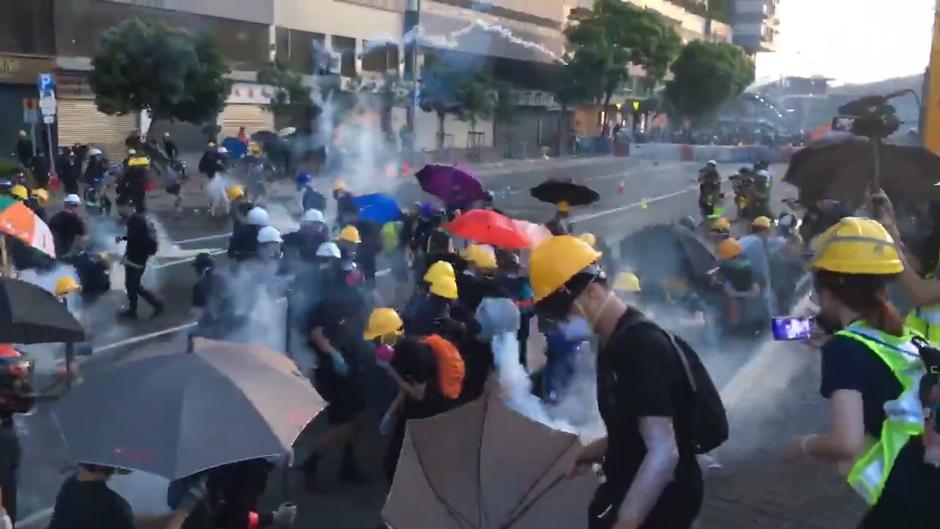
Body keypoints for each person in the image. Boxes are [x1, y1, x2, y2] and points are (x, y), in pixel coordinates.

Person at [529, 235, 705, 529]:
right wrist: (594, 450)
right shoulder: (612, 342)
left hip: (661, 505)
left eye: (564, 310)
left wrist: (627, 520)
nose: (563, 322)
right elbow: (637, 427)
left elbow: (663, 450)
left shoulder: (640, 345)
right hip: (633, 489)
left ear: (592, 291)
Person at [786, 217, 940, 529]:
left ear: (828, 290)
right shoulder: (909, 336)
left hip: (912, 498)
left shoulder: (844, 349)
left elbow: (846, 443)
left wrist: (803, 445)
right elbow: (879, 366)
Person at [300, 257, 370, 490]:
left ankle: (347, 464)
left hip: (353, 363)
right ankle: (312, 460)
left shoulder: (352, 297)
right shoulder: (331, 302)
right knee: (343, 424)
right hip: (337, 373)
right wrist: (334, 355)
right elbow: (317, 334)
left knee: (356, 419)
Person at [117, 199, 164, 319]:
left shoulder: (137, 220)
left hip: (138, 258)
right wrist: (123, 239)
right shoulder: (132, 220)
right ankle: (132, 310)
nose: (121, 209)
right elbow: (134, 238)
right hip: (133, 256)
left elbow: (139, 240)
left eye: (123, 206)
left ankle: (157, 305)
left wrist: (130, 259)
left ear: (129, 207)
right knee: (129, 285)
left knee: (135, 285)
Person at [739, 216, 776, 315]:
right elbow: (761, 270)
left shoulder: (744, 239)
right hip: (752, 287)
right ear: (765, 231)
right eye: (768, 232)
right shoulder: (757, 243)